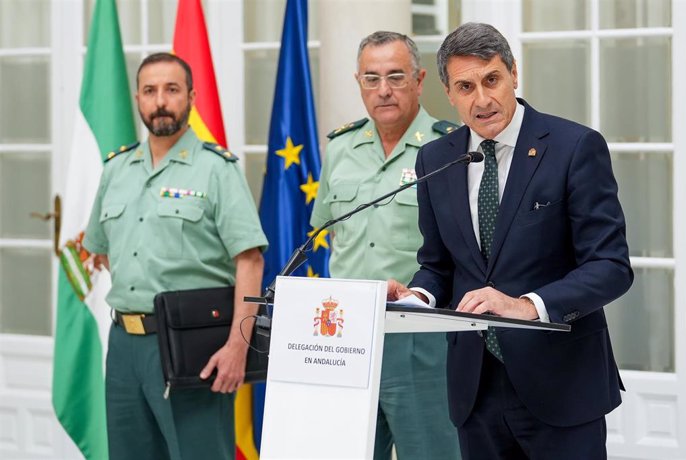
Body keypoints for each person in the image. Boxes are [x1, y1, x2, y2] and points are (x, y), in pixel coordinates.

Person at [387, 23, 634, 460]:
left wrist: (526, 306)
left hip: (561, 386)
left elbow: (611, 267)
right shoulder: (437, 158)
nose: (482, 99)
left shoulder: (574, 147)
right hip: (475, 391)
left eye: (491, 80)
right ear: (448, 92)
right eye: (466, 86)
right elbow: (438, 264)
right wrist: (418, 296)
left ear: (514, 74)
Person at [82, 53, 267, 460]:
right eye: (150, 91)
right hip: (125, 345)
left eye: (172, 90)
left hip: (191, 343)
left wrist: (238, 344)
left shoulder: (217, 168)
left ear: (191, 97)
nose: (160, 100)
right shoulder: (116, 169)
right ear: (138, 99)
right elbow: (100, 250)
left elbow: (250, 260)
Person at [311, 31, 461, 460]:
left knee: (432, 452)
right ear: (358, 82)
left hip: (418, 336)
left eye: (395, 77)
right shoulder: (340, 147)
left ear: (418, 80)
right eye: (371, 79)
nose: (383, 90)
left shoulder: (448, 146)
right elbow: (329, 230)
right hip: (345, 336)